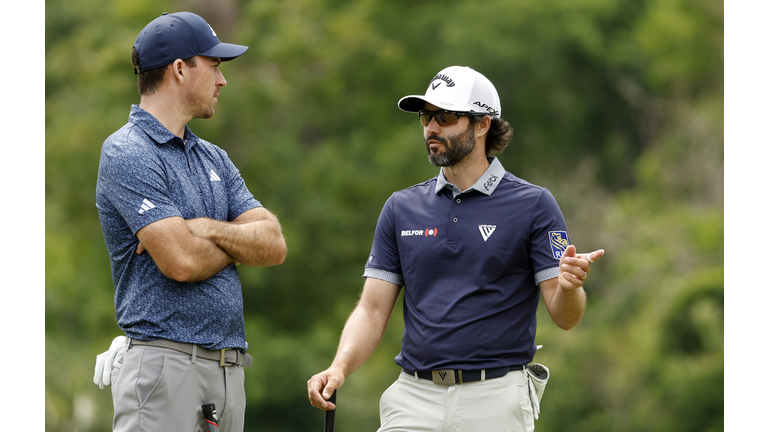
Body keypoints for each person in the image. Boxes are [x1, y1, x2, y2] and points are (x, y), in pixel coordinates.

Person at [307, 65, 604, 431]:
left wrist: (572, 287)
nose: (432, 128)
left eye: (445, 116)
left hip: (495, 397)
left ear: (482, 124)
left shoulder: (534, 204)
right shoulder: (401, 207)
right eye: (426, 117)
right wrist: (339, 366)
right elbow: (371, 308)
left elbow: (565, 316)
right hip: (413, 397)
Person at [94, 12, 287, 432]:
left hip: (229, 372)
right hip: (165, 369)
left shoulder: (214, 157)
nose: (222, 81)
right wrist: (236, 243)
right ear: (180, 69)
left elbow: (273, 244)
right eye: (214, 66)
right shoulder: (127, 151)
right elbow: (180, 260)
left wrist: (207, 227)